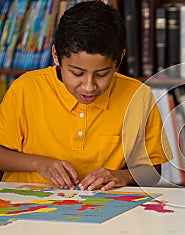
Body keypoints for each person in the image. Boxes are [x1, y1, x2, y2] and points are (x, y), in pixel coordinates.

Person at [0, 1, 171, 191]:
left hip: (101, 210)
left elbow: (153, 171)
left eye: (102, 74)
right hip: (25, 208)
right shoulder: (25, 89)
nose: (89, 87)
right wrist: (38, 164)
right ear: (56, 55)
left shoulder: (138, 96)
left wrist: (122, 175)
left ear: (120, 59)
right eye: (77, 73)